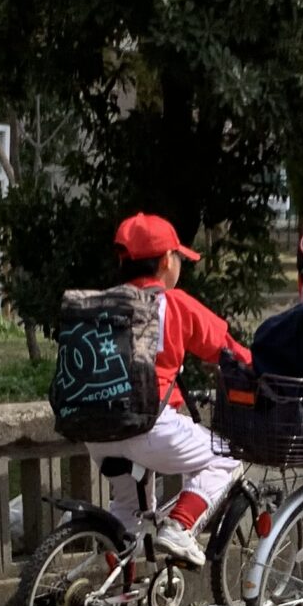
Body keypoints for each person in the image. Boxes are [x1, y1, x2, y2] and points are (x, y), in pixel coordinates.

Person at [96, 213, 250, 568]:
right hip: (146, 426)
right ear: (167, 261)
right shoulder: (173, 304)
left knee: (127, 512)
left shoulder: (102, 305)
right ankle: (180, 526)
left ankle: (116, 592)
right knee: (226, 457)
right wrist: (262, 372)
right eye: (179, 258)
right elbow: (228, 351)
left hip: (96, 428)